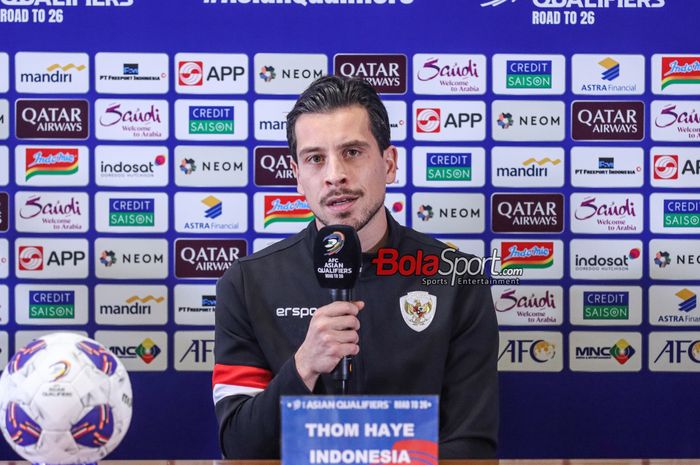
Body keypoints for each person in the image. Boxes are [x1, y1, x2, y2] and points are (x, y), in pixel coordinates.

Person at [213, 75, 499, 459]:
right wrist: (304, 365)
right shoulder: (247, 284)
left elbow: (472, 447)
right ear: (297, 175)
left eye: (352, 152)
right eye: (315, 158)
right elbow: (240, 447)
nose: (334, 175)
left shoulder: (456, 279)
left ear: (390, 163)